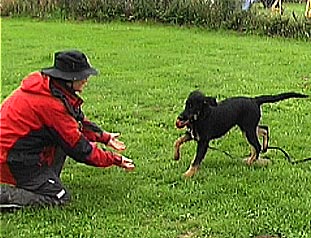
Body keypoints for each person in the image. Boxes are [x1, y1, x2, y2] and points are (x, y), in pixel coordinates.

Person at [0, 50, 135, 211]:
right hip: (12, 158)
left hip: (22, 150)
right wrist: (114, 159)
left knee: (62, 140)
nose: (86, 79)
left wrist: (105, 137)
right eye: (82, 76)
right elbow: (80, 149)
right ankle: (5, 194)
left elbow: (75, 123)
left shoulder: (52, 88)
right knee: (58, 197)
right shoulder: (50, 104)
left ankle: (42, 180)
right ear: (68, 79)